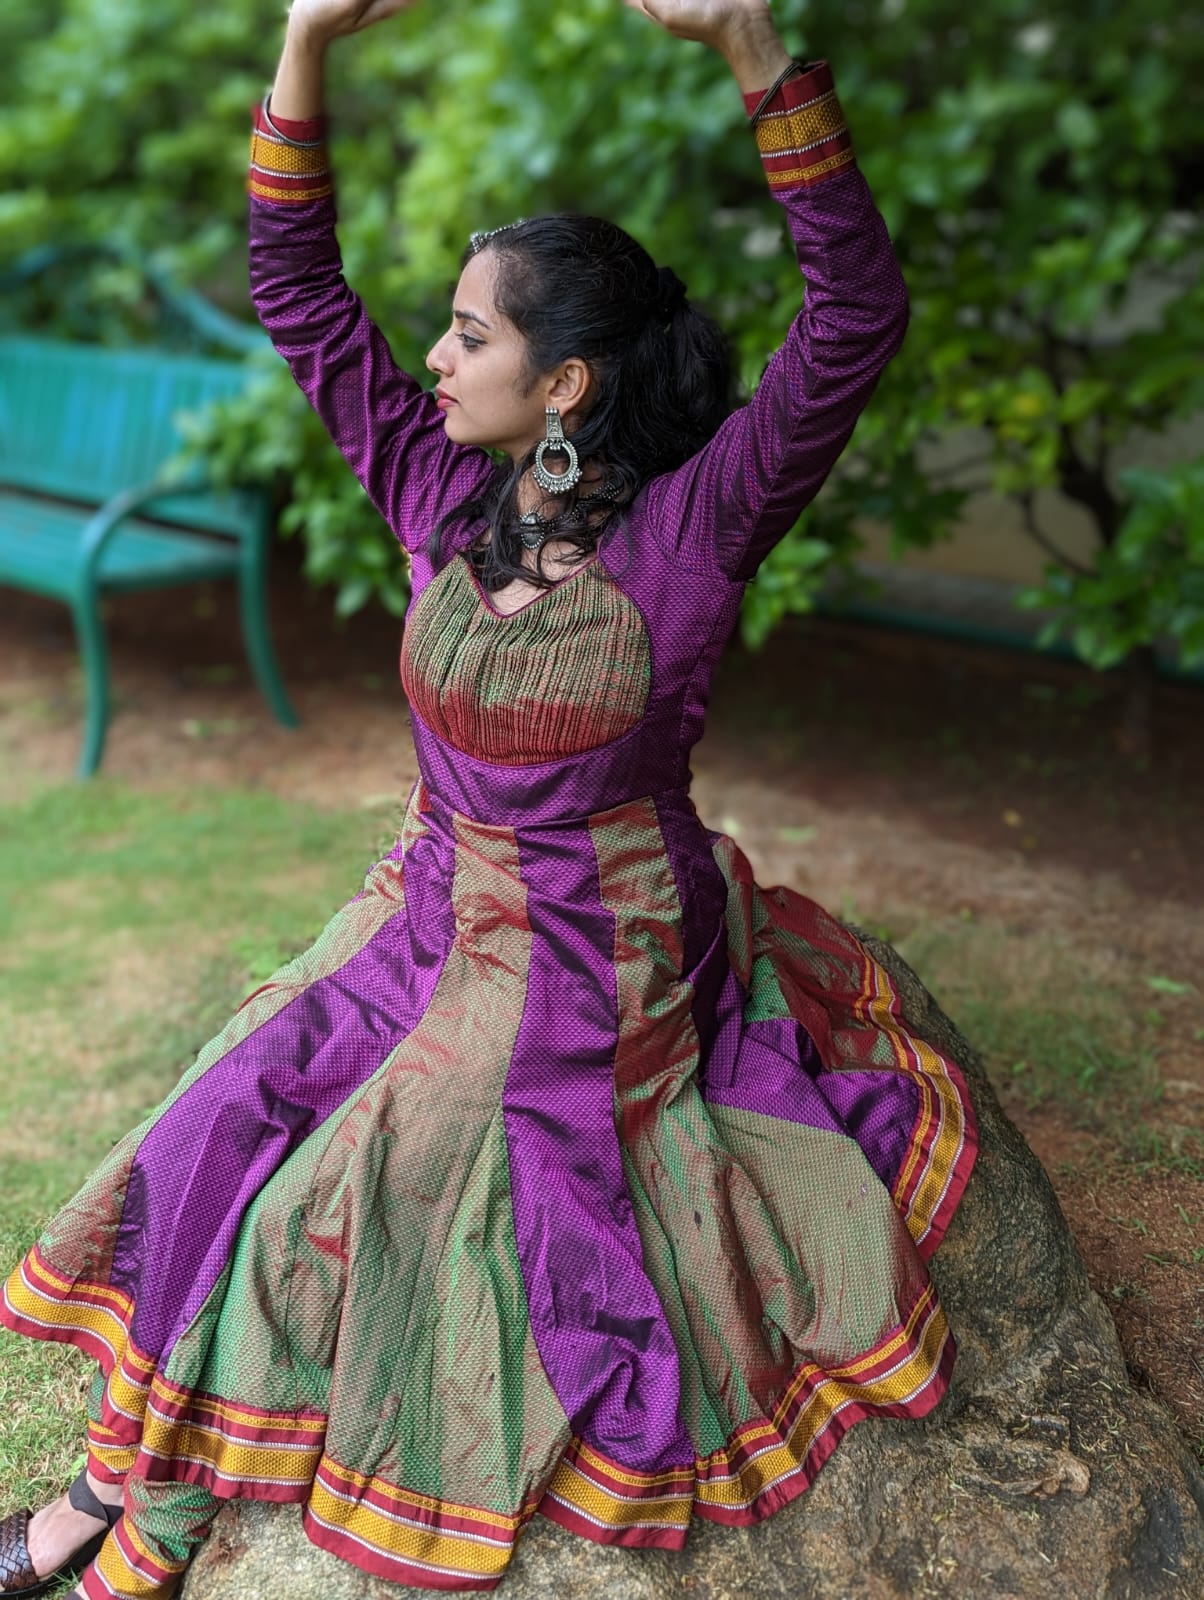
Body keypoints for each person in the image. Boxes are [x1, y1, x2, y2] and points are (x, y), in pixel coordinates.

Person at [0, 1, 978, 1595]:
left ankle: (127, 1511)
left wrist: (750, 49)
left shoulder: (697, 527)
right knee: (214, 1118)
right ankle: (114, 1486)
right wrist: (308, 40)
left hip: (603, 959)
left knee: (329, 1211)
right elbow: (299, 297)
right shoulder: (440, 488)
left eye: (470, 333)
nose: (434, 356)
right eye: (445, 331)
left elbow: (855, 315)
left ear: (567, 381)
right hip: (427, 907)